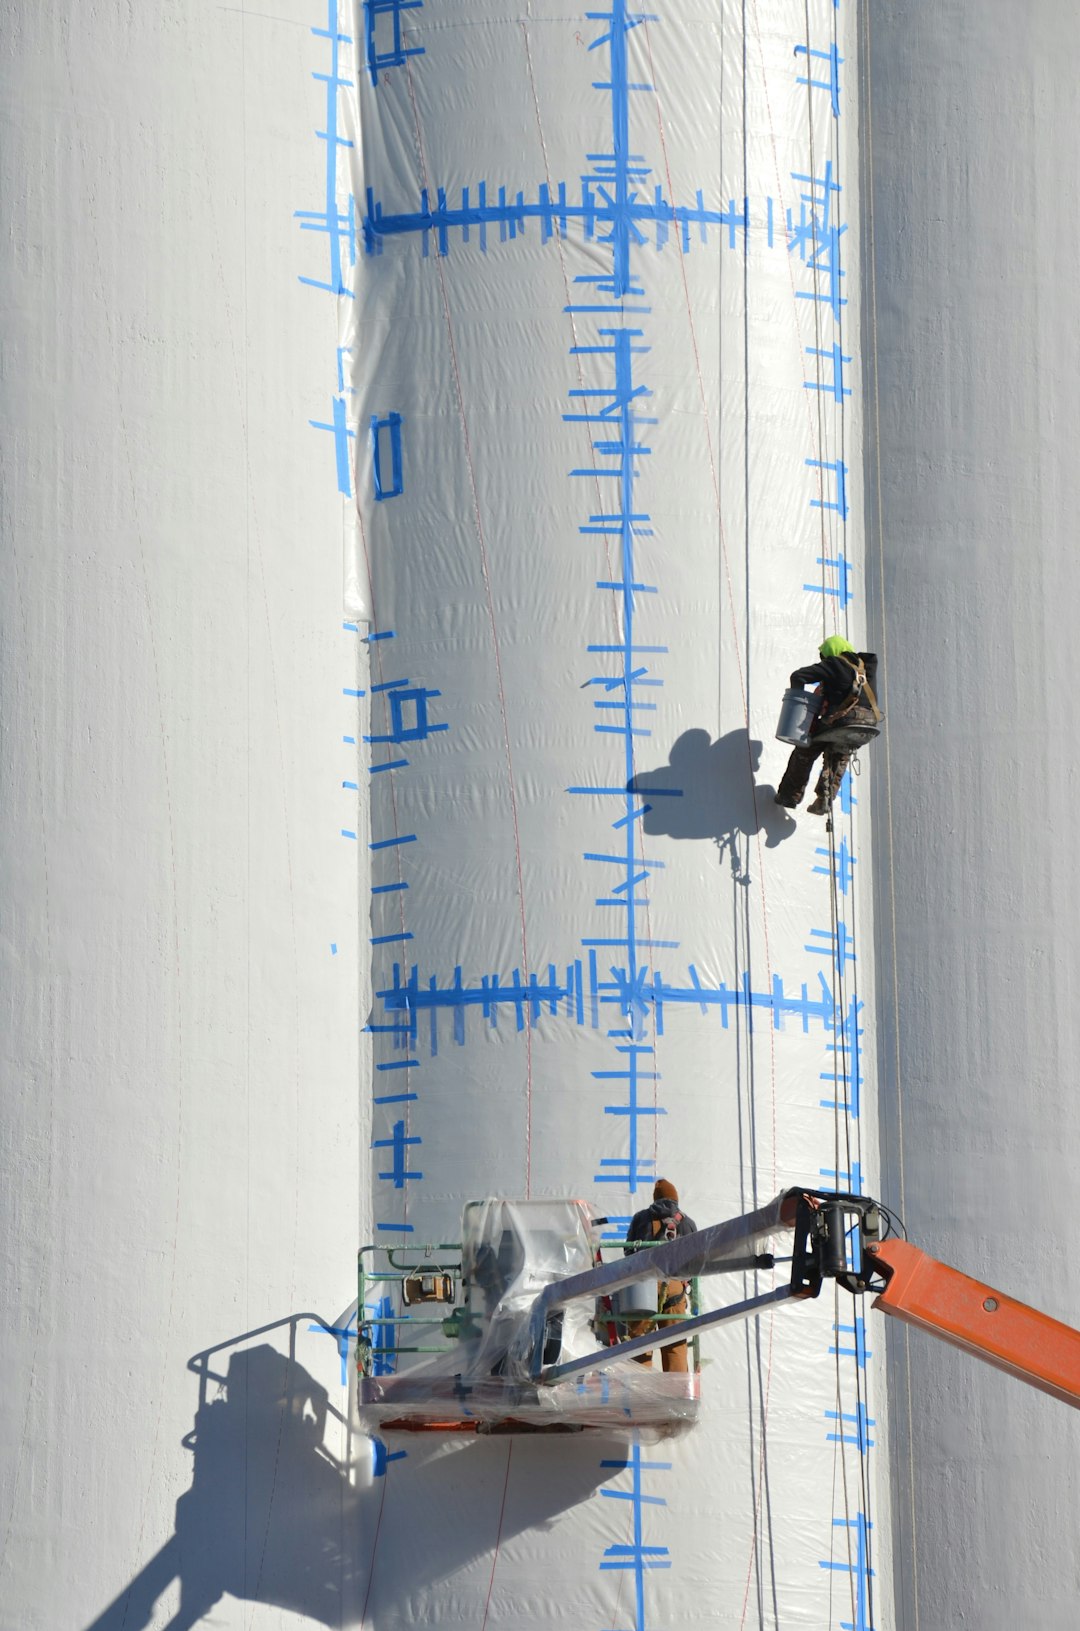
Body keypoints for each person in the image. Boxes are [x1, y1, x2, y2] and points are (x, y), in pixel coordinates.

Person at [775, 635, 880, 815]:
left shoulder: (835, 663)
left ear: (831, 653)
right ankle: (825, 796)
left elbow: (798, 676)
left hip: (843, 720)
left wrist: (797, 705)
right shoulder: (866, 668)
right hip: (868, 724)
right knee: (840, 753)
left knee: (805, 750)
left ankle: (789, 795)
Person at [623, 1179, 698, 1374]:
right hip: (674, 1286)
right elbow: (695, 1261)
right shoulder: (688, 1222)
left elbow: (628, 1251)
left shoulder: (641, 1218)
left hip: (643, 1286)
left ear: (655, 1198)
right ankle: (677, 1395)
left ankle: (641, 1395)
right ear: (675, 1198)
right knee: (675, 1343)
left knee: (640, 1344)